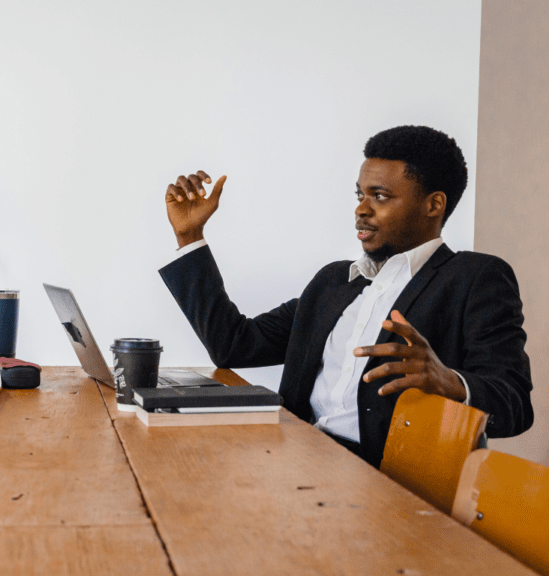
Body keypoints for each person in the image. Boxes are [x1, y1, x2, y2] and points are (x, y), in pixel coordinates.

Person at [158, 125, 532, 467]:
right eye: (360, 194)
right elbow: (235, 345)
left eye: (380, 196)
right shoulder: (334, 282)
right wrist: (189, 238)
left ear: (433, 205)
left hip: (388, 484)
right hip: (295, 458)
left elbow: (514, 404)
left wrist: (448, 380)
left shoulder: (474, 278)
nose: (361, 209)